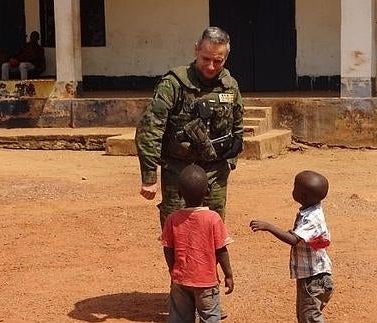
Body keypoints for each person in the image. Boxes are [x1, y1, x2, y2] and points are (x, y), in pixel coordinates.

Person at [135, 26, 244, 229]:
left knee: (213, 231)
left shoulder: (230, 85)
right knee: (176, 233)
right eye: (206, 58)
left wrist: (231, 158)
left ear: (226, 58)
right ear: (196, 50)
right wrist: (149, 177)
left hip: (215, 172)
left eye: (218, 61)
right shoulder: (173, 84)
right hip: (179, 172)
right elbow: (150, 130)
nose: (211, 66)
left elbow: (237, 125)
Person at [250, 170, 334, 323]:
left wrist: (268, 226)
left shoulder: (312, 219)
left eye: (295, 186)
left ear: (303, 196)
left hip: (313, 279)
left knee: (309, 318)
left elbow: (294, 240)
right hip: (313, 277)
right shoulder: (312, 209)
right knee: (306, 316)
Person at [161, 164, 234, 323]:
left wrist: (172, 268)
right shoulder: (213, 218)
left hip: (180, 280)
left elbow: (168, 248)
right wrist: (228, 275)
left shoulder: (172, 219)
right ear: (208, 191)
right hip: (207, 282)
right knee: (209, 318)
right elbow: (221, 250)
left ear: (179, 193)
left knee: (179, 318)